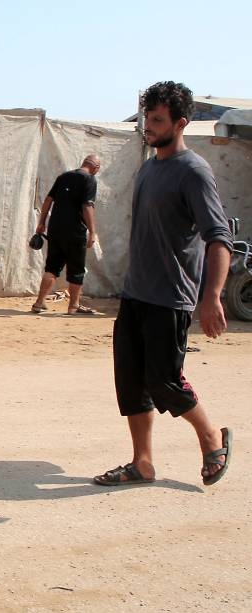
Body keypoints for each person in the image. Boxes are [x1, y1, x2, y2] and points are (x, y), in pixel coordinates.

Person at [93, 81, 234, 488]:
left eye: (157, 120)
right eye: (146, 118)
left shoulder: (194, 172)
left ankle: (211, 436)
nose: (148, 126)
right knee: (132, 381)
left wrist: (211, 298)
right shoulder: (150, 166)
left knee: (165, 380)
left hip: (170, 297)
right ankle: (143, 463)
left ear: (181, 123)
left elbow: (218, 239)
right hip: (136, 293)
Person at [30, 154, 102, 315]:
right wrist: (92, 231)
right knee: (76, 269)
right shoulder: (89, 179)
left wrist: (41, 222)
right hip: (75, 231)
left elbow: (48, 200)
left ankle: (39, 302)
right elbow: (87, 206)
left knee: (52, 267)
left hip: (55, 229)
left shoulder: (64, 177)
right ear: (96, 168)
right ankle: (73, 306)